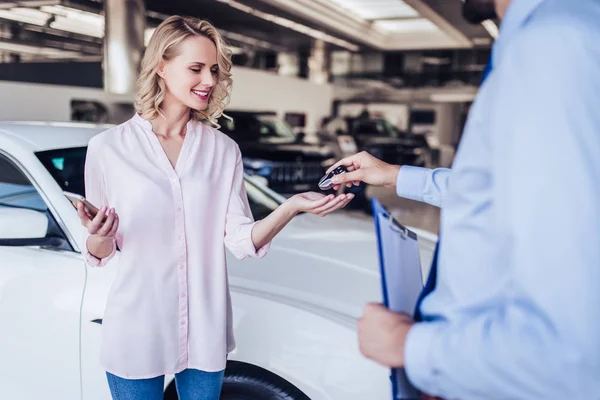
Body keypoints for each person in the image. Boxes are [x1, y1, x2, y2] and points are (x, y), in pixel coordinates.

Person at [327, 0, 600, 398]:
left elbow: (573, 352)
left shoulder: (554, 43)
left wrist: (411, 347)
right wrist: (394, 175)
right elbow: (509, 193)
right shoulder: (563, 31)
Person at [76, 16, 353, 400]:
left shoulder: (223, 151)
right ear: (161, 66)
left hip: (204, 328)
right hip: (137, 327)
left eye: (214, 70)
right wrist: (98, 238)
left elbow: (241, 240)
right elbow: (103, 252)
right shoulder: (108, 148)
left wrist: (290, 207)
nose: (209, 80)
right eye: (196, 68)